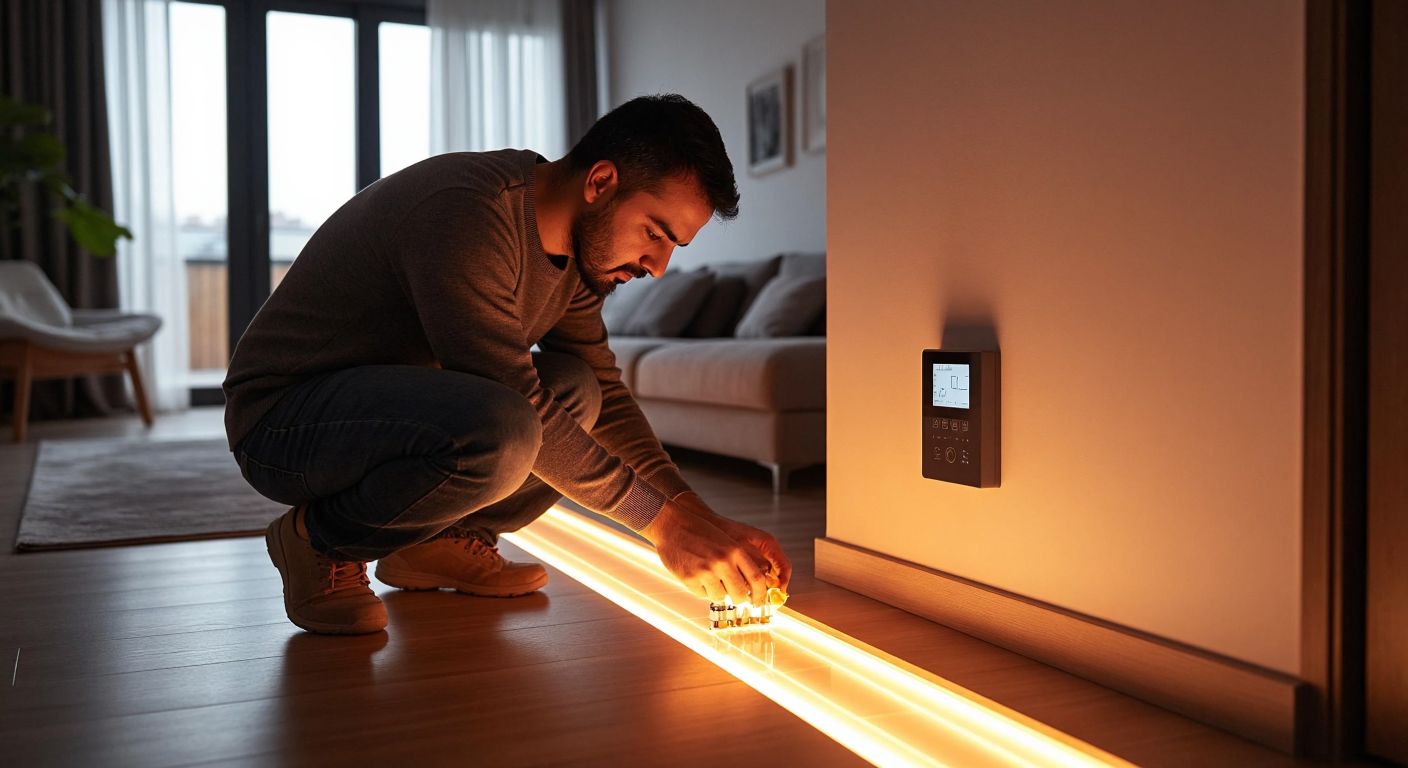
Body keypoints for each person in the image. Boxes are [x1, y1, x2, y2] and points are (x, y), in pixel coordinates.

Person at [224, 94, 793, 635]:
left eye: (675, 247)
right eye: (654, 233)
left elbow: (605, 393)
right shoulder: (468, 212)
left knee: (581, 390)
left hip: (396, 416)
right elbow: (511, 394)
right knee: (506, 425)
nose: (659, 266)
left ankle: (433, 543)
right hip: (284, 419)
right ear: (600, 182)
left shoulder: (577, 260)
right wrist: (662, 525)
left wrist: (695, 514)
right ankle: (318, 540)